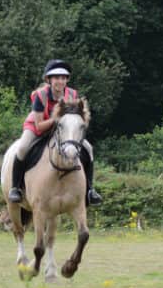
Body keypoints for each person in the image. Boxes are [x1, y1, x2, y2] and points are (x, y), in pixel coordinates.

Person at [8, 59, 102, 207]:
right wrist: (57, 120)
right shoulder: (40, 96)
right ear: (49, 80)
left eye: (64, 78)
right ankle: (15, 188)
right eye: (57, 78)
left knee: (88, 149)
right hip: (37, 126)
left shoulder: (72, 93)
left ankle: (90, 190)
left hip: (61, 129)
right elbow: (39, 126)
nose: (61, 81)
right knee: (22, 148)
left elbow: (76, 117)